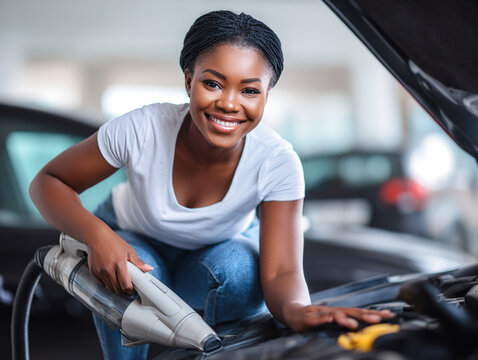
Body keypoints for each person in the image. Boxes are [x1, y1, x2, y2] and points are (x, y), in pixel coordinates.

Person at [30, 10, 393, 360]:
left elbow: (281, 272)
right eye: (212, 83)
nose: (229, 104)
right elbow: (49, 182)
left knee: (241, 269)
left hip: (210, 258)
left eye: (250, 91)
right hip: (136, 242)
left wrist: (298, 310)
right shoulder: (140, 129)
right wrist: (98, 235)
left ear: (267, 93)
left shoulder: (278, 162)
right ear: (189, 80)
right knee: (123, 273)